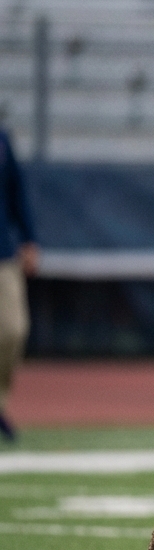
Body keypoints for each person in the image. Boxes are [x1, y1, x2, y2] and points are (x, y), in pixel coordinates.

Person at [0, 125, 38, 442]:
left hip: (2, 253)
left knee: (14, 329)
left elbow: (16, 190)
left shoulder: (1, 139)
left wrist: (28, 239)